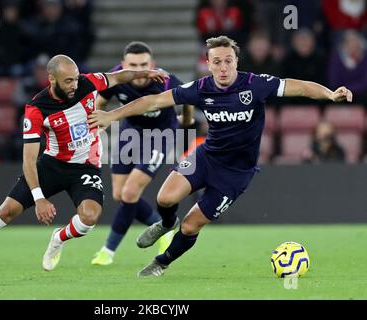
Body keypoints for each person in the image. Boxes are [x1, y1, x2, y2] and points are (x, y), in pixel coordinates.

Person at [88, 36, 353, 277]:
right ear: (208, 64)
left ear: (236, 61)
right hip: (206, 156)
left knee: (192, 226)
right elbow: (154, 101)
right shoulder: (201, 88)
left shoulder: (255, 85)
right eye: (217, 62)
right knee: (164, 198)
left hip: (235, 173)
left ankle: (162, 261)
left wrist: (329, 94)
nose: (223, 67)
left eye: (228, 61)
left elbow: (301, 87)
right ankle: (166, 223)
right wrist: (112, 115)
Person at [0, 54, 168, 278]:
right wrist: (39, 198)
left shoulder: (88, 82)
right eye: (68, 81)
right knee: (6, 211)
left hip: (85, 167)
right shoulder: (36, 109)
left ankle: (59, 237)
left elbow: (117, 77)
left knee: (90, 217)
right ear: (52, 79)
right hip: (52, 165)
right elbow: (29, 160)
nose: (74, 85)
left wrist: (143, 74)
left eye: (75, 79)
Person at [90, 41, 194, 266]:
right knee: (119, 194)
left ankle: (108, 251)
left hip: (160, 136)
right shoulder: (116, 78)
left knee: (129, 193)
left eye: (144, 64)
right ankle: (163, 228)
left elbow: (188, 97)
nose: (139, 71)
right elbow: (101, 100)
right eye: (133, 65)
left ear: (152, 64)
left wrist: (186, 121)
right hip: (129, 134)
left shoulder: (165, 80)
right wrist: (99, 120)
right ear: (123, 65)